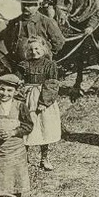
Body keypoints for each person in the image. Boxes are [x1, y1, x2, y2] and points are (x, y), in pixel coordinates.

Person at [18, 36, 62, 173]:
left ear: (43, 49)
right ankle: (23, 158)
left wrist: (44, 101)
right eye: (30, 49)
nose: (34, 52)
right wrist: (19, 95)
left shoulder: (50, 65)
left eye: (37, 48)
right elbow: (17, 81)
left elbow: (52, 84)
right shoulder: (24, 65)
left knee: (44, 127)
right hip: (28, 98)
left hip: (43, 98)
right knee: (26, 127)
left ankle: (44, 158)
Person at [7, 0, 66, 83]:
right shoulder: (15, 22)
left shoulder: (46, 22)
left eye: (30, 5)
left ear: (37, 6)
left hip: (39, 67)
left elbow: (59, 42)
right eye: (24, 5)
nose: (26, 8)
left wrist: (46, 53)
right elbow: (7, 38)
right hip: (19, 64)